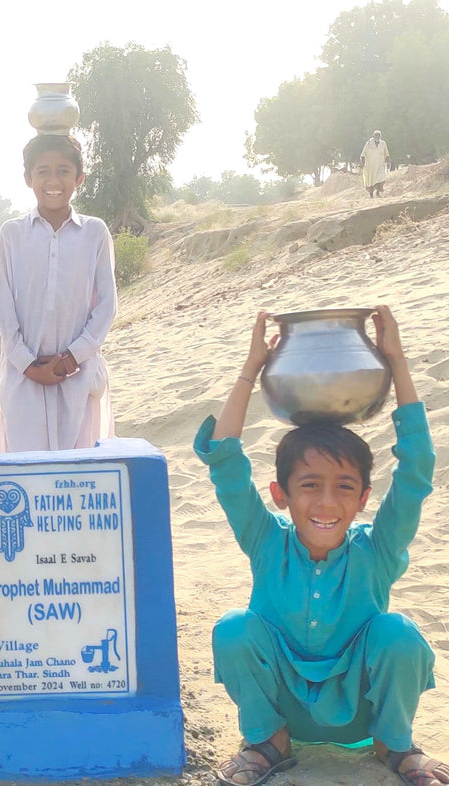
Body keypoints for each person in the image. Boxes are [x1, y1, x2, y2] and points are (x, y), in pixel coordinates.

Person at [195, 307, 449, 786]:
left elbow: (416, 469)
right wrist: (252, 368)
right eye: (310, 485)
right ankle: (267, 745)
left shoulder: (378, 550)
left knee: (398, 633)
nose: (327, 502)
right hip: (283, 710)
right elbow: (226, 464)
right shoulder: (265, 541)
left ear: (363, 499)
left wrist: (395, 362)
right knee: (234, 629)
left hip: (360, 711)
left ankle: (395, 745)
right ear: (281, 495)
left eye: (344, 487)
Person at [0, 134, 117, 452]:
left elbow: (106, 307)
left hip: (79, 375)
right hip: (23, 379)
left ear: (79, 178)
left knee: (78, 474)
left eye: (63, 170)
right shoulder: (12, 234)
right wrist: (29, 365)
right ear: (28, 178)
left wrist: (71, 359)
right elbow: (2, 309)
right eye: (43, 171)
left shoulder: (95, 233)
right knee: (27, 474)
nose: (53, 180)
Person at [361, 130, 391, 198]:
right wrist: (362, 164)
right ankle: (371, 195)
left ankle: (378, 192)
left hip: (380, 165)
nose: (377, 137)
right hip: (370, 167)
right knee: (371, 182)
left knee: (381, 178)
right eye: (376, 136)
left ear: (380, 137)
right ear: (373, 136)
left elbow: (386, 154)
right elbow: (363, 154)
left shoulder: (383, 144)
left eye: (379, 136)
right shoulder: (368, 144)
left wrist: (388, 162)